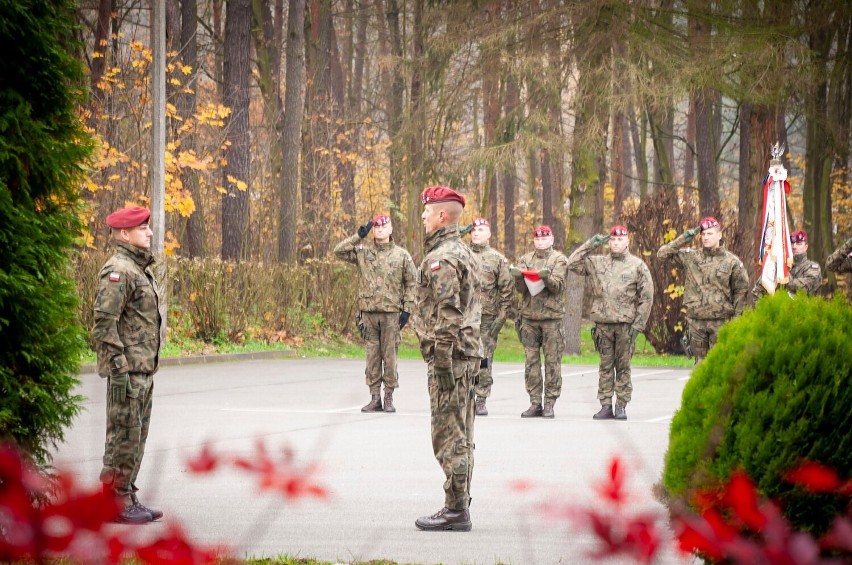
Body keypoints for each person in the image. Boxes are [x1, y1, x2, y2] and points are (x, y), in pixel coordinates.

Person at [413, 185, 481, 532]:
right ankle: (459, 504)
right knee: (462, 432)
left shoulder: (442, 258)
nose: (422, 217)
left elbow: (449, 313)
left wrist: (441, 360)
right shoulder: (463, 251)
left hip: (451, 359)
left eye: (427, 212)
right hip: (464, 356)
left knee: (448, 435)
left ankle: (456, 510)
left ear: (442, 215)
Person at [92, 206, 166, 524]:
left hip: (142, 369)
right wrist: (118, 367)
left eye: (147, 228)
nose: (149, 233)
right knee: (123, 435)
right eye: (142, 228)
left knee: (136, 434)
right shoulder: (118, 270)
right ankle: (115, 501)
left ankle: (125, 494)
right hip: (128, 371)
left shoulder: (138, 269)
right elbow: (103, 323)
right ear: (125, 233)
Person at [566, 225, 654, 421]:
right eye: (612, 240)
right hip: (603, 324)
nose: (616, 243)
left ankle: (621, 405)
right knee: (605, 366)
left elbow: (647, 297)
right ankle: (605, 404)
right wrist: (590, 245)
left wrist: (638, 325)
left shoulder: (637, 266)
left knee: (623, 366)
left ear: (627, 241)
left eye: (620, 240)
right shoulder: (598, 263)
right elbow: (572, 263)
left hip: (625, 325)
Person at [334, 213, 416, 413]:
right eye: (376, 226)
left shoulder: (401, 255)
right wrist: (358, 236)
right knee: (372, 357)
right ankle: (374, 397)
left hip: (391, 314)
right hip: (368, 314)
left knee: (389, 357)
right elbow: (339, 251)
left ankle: (388, 397)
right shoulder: (363, 251)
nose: (379, 229)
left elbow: (411, 283)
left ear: (390, 229)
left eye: (383, 226)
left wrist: (408, 309)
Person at [657, 216, 749, 361]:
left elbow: (741, 291)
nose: (705, 238)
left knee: (719, 363)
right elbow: (662, 255)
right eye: (703, 234)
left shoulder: (731, 261)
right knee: (700, 365)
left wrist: (737, 320)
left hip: (721, 321)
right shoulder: (691, 257)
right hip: (696, 321)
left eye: (710, 234)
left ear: (719, 235)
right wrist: (683, 238)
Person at [509, 225, 570, 419]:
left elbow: (557, 287)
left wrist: (547, 279)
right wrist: (518, 277)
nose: (541, 242)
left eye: (544, 239)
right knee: (531, 362)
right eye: (537, 239)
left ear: (552, 239)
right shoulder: (526, 259)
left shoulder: (559, 260)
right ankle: (535, 402)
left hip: (552, 319)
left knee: (552, 362)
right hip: (529, 317)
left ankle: (550, 403)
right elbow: (520, 289)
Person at [463, 218, 513, 416]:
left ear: (489, 234)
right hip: (464, 316)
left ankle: (481, 397)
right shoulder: (461, 254)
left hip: (486, 317)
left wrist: (501, 317)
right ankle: (466, 396)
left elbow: (507, 291)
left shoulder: (497, 259)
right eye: (473, 230)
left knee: (484, 358)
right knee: (464, 357)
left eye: (481, 230)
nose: (476, 233)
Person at [753, 230, 822, 299]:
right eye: (791, 243)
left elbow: (802, 288)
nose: (794, 247)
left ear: (806, 247)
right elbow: (758, 291)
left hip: (803, 308)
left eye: (799, 243)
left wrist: (783, 274)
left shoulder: (812, 268)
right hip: (775, 308)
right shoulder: (777, 266)